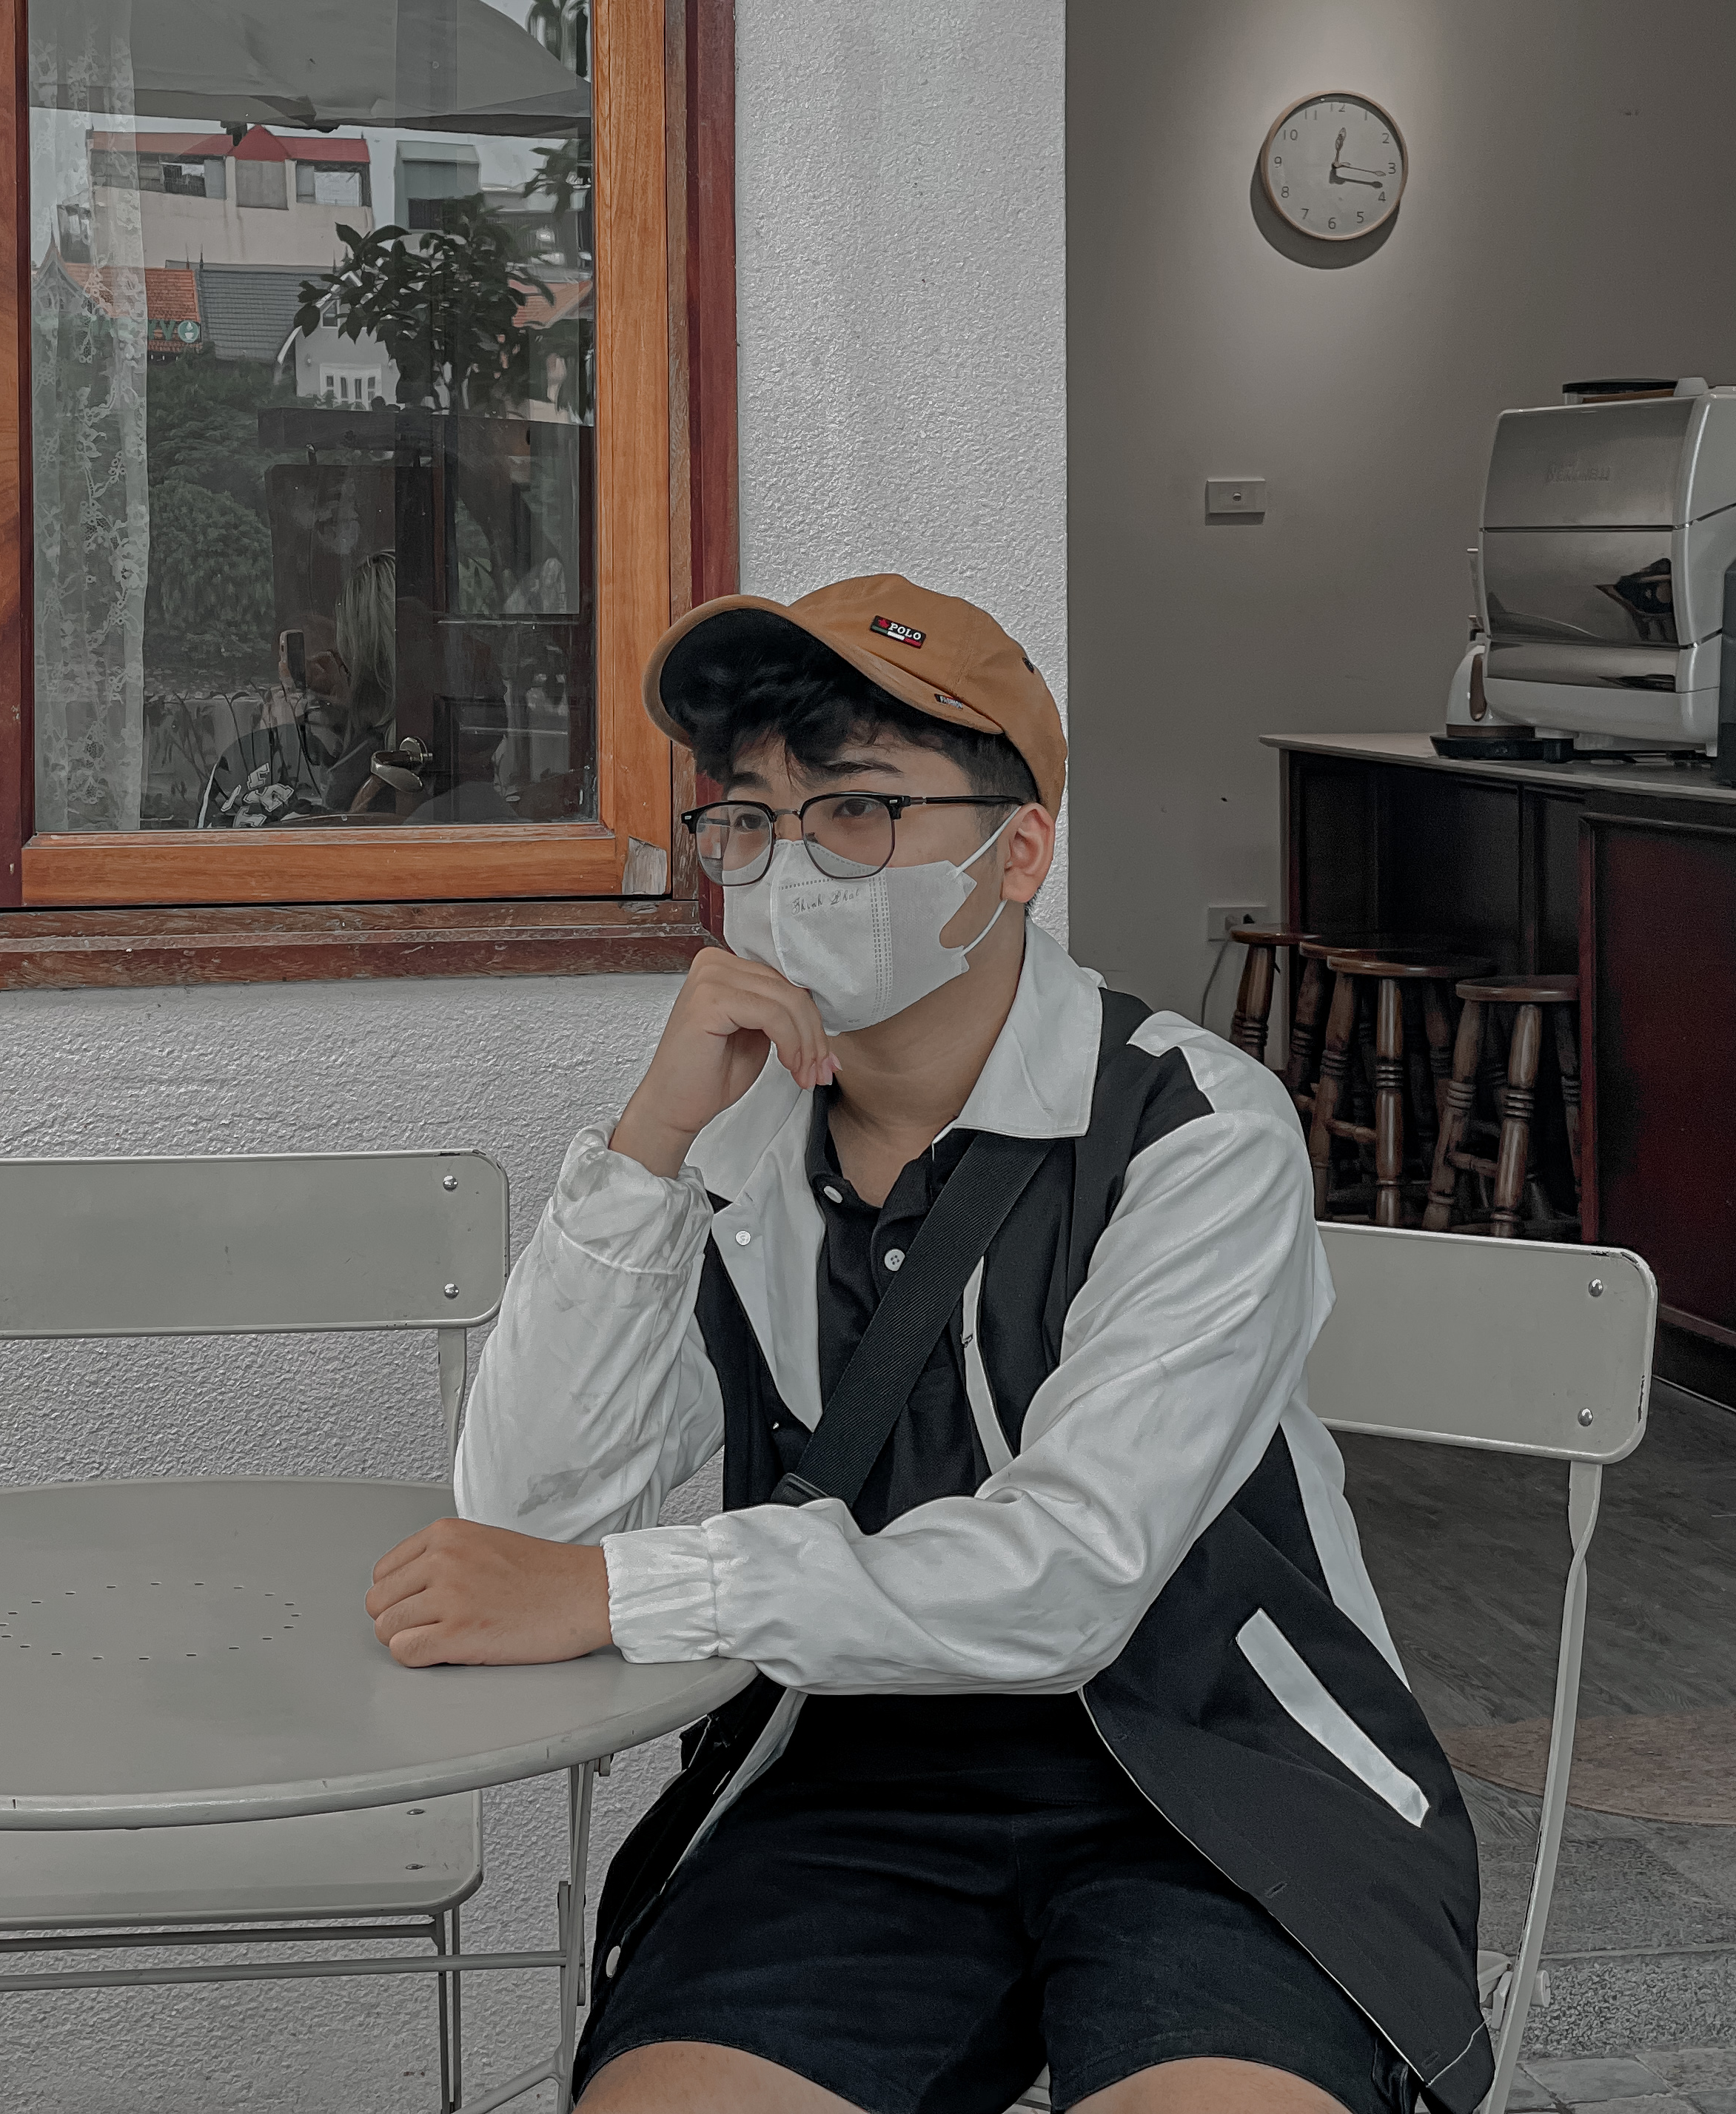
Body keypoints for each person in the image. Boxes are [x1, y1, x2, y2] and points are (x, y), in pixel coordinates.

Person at [364, 577, 1488, 2114]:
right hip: (859, 1782)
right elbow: (530, 1521)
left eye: (859, 810)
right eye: (749, 818)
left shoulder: (1192, 1130)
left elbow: (1073, 1574)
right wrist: (648, 1144)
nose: (790, 866)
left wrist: (631, 1592)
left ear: (1016, 853)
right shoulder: (739, 1147)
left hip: (1214, 1780)